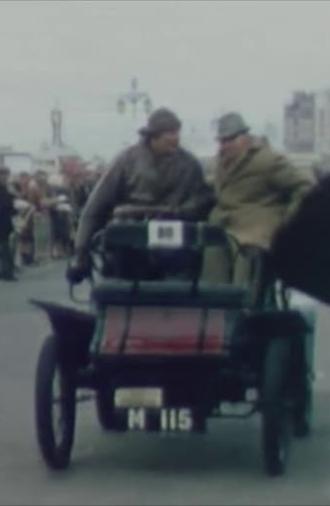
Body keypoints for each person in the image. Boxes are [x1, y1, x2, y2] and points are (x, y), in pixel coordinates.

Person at [69, 107, 215, 281]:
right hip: (129, 243)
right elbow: (95, 207)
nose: (175, 138)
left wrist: (177, 212)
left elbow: (202, 200)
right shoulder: (126, 160)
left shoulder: (190, 164)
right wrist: (80, 253)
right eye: (169, 133)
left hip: (175, 243)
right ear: (153, 136)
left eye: (177, 132)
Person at [201, 112, 315, 292]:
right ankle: (215, 312)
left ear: (244, 138)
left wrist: (287, 221)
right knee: (212, 282)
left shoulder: (268, 160)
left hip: (253, 232)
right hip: (222, 228)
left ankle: (246, 313)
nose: (224, 146)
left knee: (244, 282)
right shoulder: (221, 163)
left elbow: (305, 187)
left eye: (229, 140)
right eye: (221, 141)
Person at [0, 166, 17, 280]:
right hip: (2, 221)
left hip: (5, 221)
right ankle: (7, 272)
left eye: (6, 174)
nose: (5, 177)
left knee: (5, 247)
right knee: (5, 249)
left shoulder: (6, 189)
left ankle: (6, 270)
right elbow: (5, 205)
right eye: (2, 174)